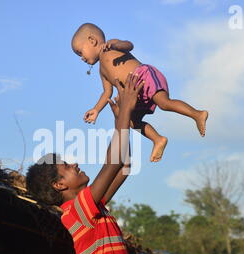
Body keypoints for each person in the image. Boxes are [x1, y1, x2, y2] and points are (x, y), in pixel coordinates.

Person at [26, 74, 146, 254]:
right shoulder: (76, 212)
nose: (75, 164)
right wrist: (126, 111)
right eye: (66, 166)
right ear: (59, 184)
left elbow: (124, 167)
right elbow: (113, 163)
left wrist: (120, 121)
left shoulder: (92, 208)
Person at [72, 23, 209, 162]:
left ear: (92, 41)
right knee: (132, 121)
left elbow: (129, 45)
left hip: (144, 76)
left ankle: (197, 114)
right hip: (134, 92)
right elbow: (107, 92)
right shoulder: (102, 71)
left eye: (80, 52)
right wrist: (96, 110)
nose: (81, 58)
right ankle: (158, 139)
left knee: (164, 103)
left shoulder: (111, 45)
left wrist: (118, 46)